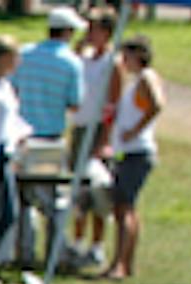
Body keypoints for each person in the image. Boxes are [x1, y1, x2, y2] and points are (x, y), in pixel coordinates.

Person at [98, 34, 161, 282]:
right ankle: (124, 261)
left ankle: (120, 264)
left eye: (127, 55)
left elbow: (157, 104)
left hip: (138, 151)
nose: (123, 61)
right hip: (129, 150)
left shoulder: (146, 77)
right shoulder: (134, 81)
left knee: (124, 207)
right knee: (125, 206)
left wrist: (135, 130)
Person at [66, 7, 116, 269]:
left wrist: (105, 140)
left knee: (97, 190)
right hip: (80, 125)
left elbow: (113, 104)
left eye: (94, 29)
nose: (90, 34)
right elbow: (71, 62)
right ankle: (77, 240)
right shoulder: (84, 57)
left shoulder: (112, 62)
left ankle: (97, 244)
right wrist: (80, 44)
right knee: (78, 190)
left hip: (97, 128)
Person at [14, 6, 85, 143]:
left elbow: (13, 88)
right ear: (67, 32)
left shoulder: (24, 53)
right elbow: (75, 104)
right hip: (52, 132)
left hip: (20, 130)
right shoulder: (72, 62)